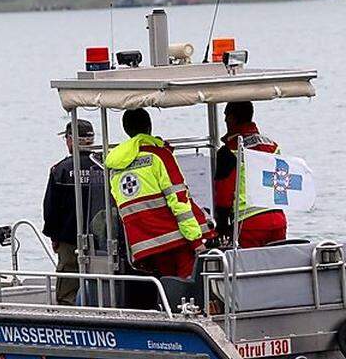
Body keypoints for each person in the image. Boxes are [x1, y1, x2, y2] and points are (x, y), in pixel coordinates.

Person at [106, 109, 215, 302]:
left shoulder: (115, 166)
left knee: (168, 285)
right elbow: (179, 201)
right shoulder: (159, 156)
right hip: (175, 239)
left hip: (146, 243)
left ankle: (168, 312)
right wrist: (197, 241)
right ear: (149, 127)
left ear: (125, 130)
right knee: (188, 286)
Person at [214, 101, 287, 248]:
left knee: (250, 268)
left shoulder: (229, 150)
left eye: (226, 116)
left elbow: (224, 194)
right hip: (278, 218)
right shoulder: (273, 145)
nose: (224, 120)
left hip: (248, 223)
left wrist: (221, 227)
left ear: (232, 118)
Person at [42, 119, 97, 305]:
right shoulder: (105, 166)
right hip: (101, 240)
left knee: (67, 291)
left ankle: (70, 314)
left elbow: (50, 209)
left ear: (71, 140)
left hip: (68, 239)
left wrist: (53, 236)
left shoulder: (60, 170)